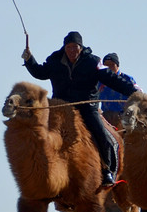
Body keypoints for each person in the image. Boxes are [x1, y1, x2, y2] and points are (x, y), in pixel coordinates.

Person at [22, 31, 138, 187]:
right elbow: (40, 72)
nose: (72, 51)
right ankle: (38, 171)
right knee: (38, 133)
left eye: (75, 47)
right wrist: (29, 60)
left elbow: (111, 79)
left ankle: (107, 170)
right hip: (61, 108)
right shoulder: (55, 61)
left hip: (87, 106)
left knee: (102, 135)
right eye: (69, 47)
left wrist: (132, 92)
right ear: (64, 48)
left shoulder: (93, 62)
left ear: (81, 48)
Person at [98, 52, 139, 128]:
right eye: (106, 66)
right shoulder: (100, 82)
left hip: (124, 117)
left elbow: (139, 93)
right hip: (106, 117)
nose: (109, 68)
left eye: (112, 65)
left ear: (117, 65)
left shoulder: (127, 79)